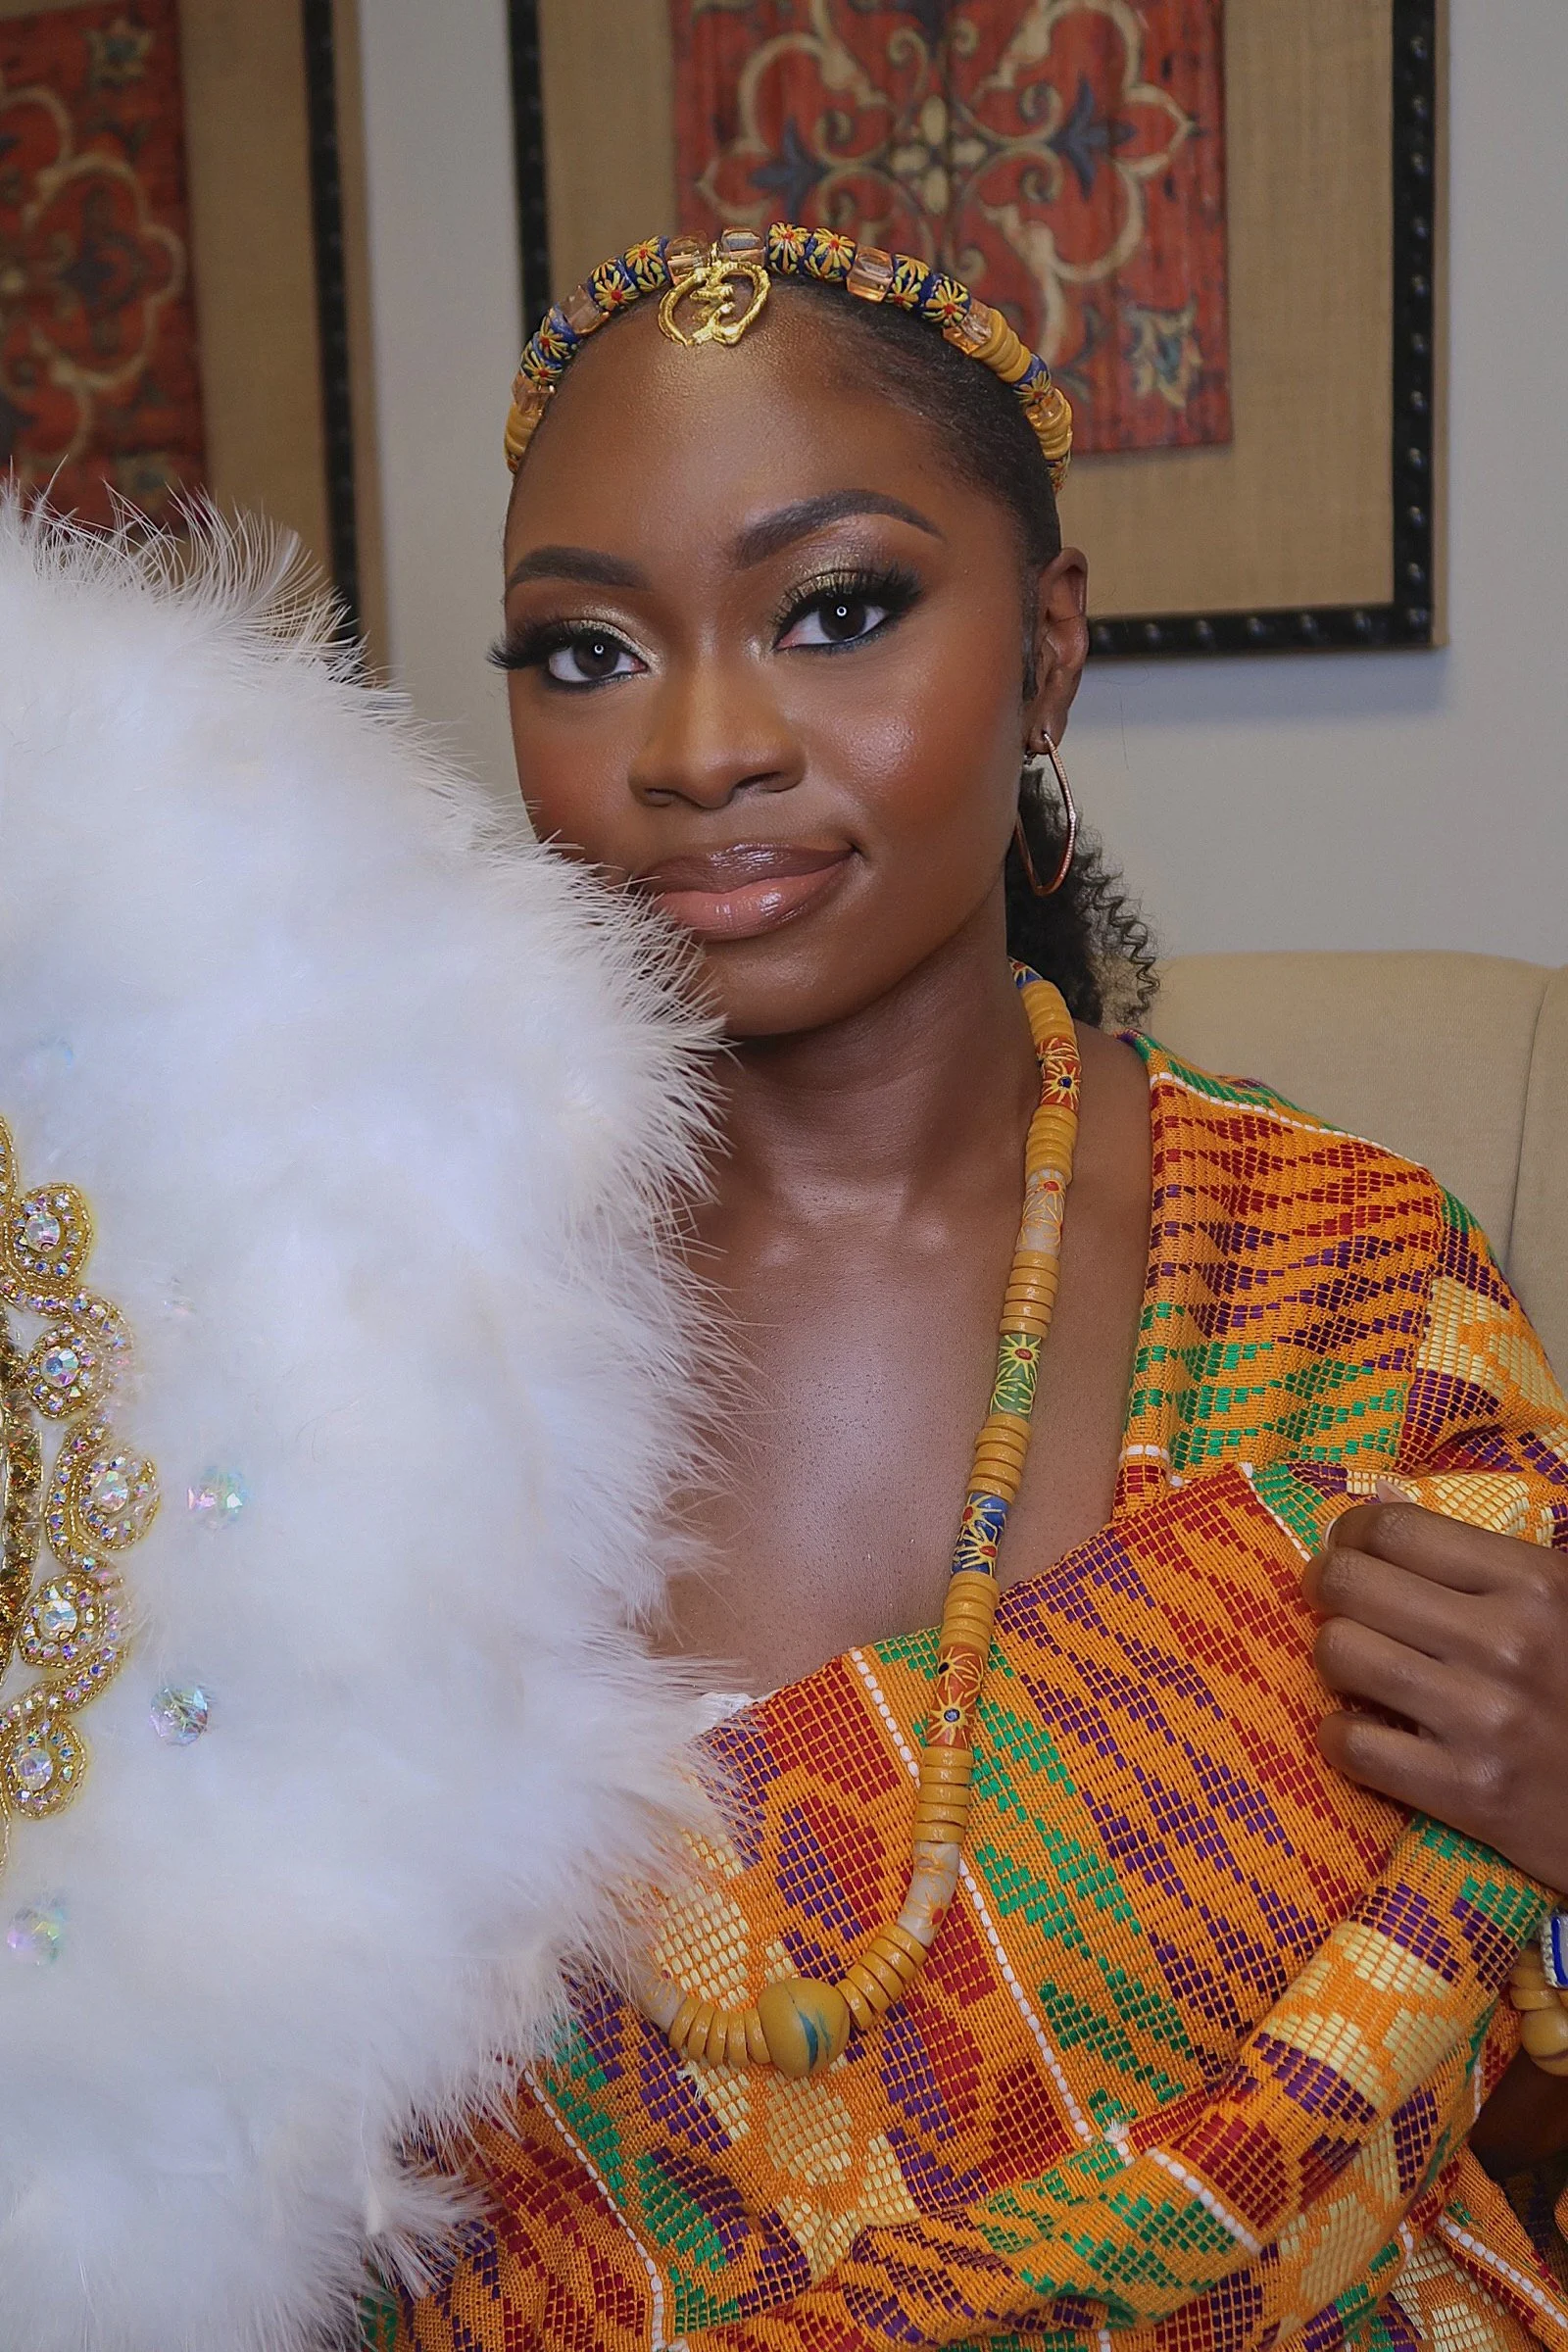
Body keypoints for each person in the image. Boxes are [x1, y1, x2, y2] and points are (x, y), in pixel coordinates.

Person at [390, 228, 1568, 2352]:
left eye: (835, 611)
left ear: (1041, 656)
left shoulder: (1350, 1293)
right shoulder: (371, 1343)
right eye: (584, 653)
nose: (700, 746)